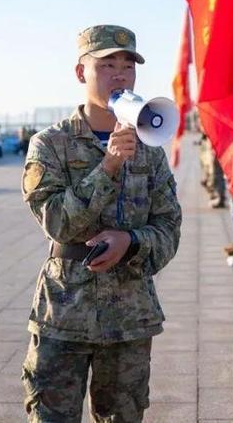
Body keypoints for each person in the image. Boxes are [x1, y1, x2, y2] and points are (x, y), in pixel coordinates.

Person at [20, 24, 182, 422]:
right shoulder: (50, 144)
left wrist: (131, 241)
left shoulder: (150, 147)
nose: (120, 75)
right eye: (107, 64)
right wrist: (108, 165)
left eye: (128, 66)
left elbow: (169, 227)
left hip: (129, 317)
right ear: (81, 73)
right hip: (64, 314)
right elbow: (57, 222)